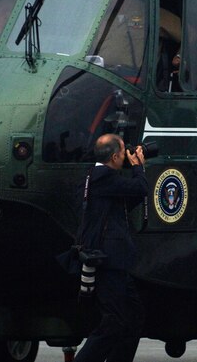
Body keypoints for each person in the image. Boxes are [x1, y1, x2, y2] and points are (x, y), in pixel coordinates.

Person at [73, 134, 150, 362]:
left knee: (134, 317)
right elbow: (140, 188)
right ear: (115, 156)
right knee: (114, 321)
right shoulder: (104, 176)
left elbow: (124, 204)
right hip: (109, 261)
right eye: (124, 152)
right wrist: (138, 167)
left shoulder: (94, 177)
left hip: (114, 260)